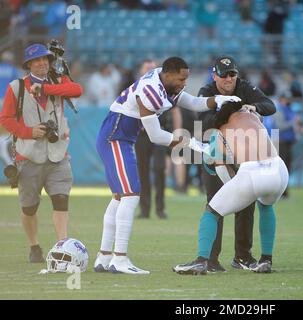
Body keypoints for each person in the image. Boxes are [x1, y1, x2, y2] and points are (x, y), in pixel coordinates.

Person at [93, 56, 241, 274]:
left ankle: (104, 257)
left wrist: (216, 100)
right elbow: (155, 135)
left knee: (119, 197)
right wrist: (193, 143)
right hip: (115, 138)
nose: (184, 83)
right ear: (169, 75)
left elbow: (191, 102)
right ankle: (120, 258)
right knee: (131, 195)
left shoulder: (166, 80)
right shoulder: (151, 90)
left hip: (121, 138)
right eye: (181, 79)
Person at [173, 101, 289, 275]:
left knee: (211, 211)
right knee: (266, 207)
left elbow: (219, 166)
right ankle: (266, 260)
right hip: (279, 169)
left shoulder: (219, 132)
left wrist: (234, 190)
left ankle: (201, 261)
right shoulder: (254, 117)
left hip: (252, 172)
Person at [0, 43, 83, 263]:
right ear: (28, 65)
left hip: (58, 154)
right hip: (28, 155)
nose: (42, 64)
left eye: (45, 59)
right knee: (29, 208)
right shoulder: (15, 87)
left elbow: (77, 90)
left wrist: (46, 88)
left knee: (61, 199)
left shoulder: (58, 80)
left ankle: (62, 247)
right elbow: (5, 120)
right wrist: (29, 132)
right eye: (37, 61)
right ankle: (34, 245)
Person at [197, 56, 276, 272]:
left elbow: (270, 106)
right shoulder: (206, 92)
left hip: (242, 155)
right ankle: (211, 259)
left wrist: (253, 106)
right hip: (215, 155)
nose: (228, 79)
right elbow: (204, 124)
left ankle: (242, 256)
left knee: (246, 202)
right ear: (215, 76)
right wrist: (229, 110)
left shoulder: (244, 87)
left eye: (232, 74)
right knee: (215, 203)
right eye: (223, 75)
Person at [133, 59, 177, 219]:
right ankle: (144, 209)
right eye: (147, 68)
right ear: (141, 71)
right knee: (142, 172)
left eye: (153, 68)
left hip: (160, 133)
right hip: (142, 135)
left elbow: (174, 110)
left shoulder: (165, 88)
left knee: (159, 170)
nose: (151, 70)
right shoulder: (136, 89)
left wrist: (177, 130)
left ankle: (160, 208)